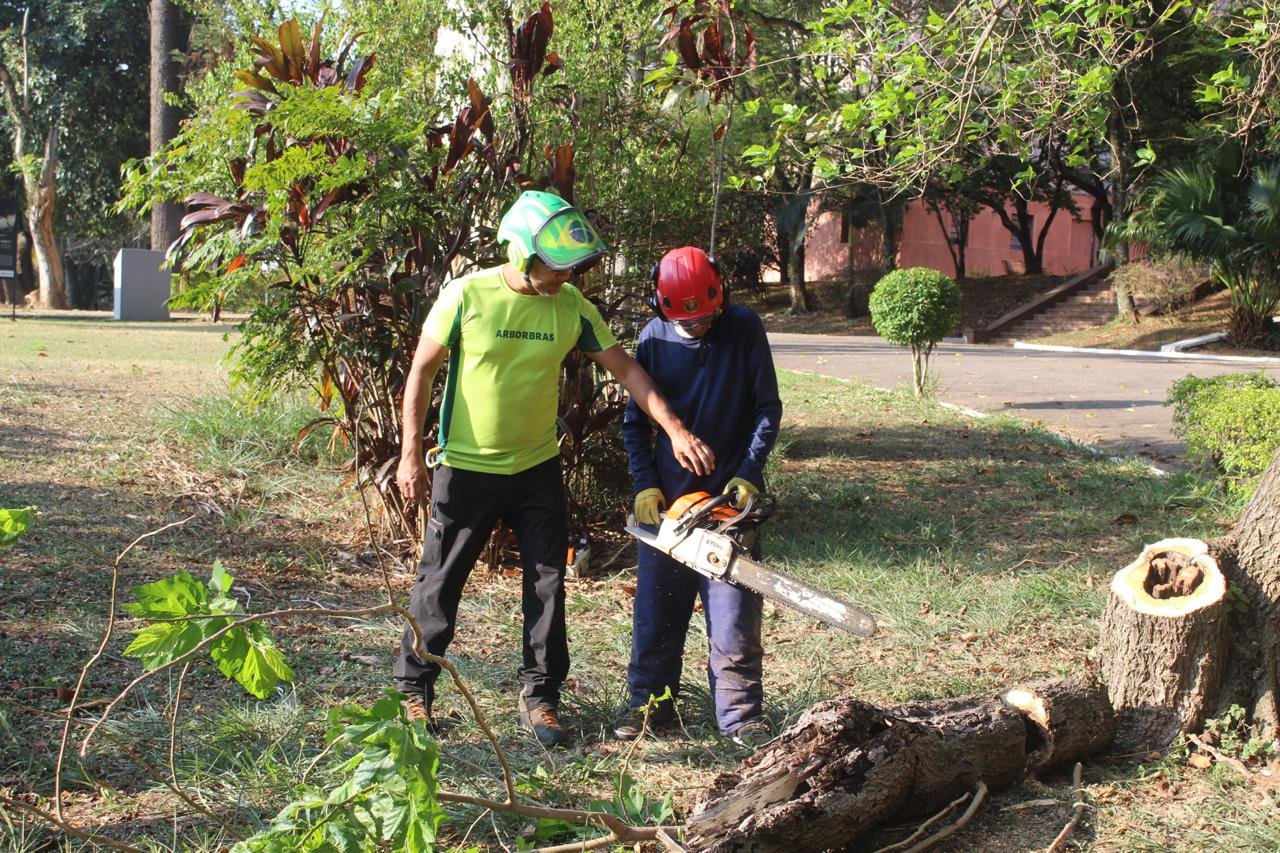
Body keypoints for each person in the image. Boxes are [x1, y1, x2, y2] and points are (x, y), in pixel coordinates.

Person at [394, 190, 715, 747]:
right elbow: (421, 372)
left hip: (537, 469)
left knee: (548, 586)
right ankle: (413, 693)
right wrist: (408, 454)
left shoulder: (571, 308)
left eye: (570, 267)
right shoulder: (466, 295)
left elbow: (628, 372)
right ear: (519, 252)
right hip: (466, 471)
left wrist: (675, 428)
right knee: (439, 586)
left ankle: (541, 698)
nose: (564, 277)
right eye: (554, 266)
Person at [616, 245, 782, 746]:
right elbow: (634, 424)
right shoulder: (652, 339)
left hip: (729, 506)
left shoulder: (744, 327)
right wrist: (645, 481)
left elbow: (767, 409)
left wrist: (750, 472)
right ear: (662, 306)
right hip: (668, 508)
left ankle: (740, 718)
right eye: (690, 322)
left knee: (733, 622)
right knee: (655, 616)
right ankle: (650, 709)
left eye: (709, 316)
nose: (701, 326)